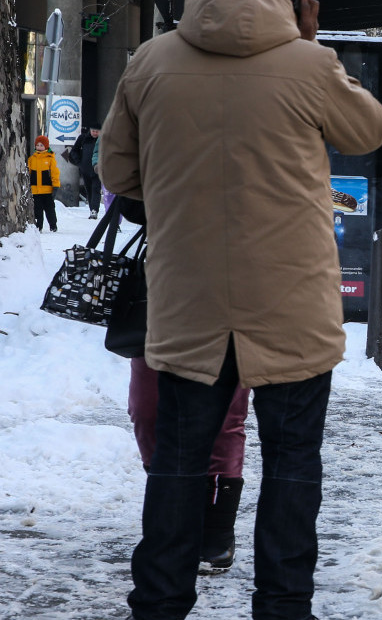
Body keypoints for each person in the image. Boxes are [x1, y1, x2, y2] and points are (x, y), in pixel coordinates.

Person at [99, 0, 382, 617]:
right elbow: (368, 131)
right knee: (292, 464)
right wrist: (312, 47)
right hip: (293, 310)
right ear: (294, 0)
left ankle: (160, 602)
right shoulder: (309, 66)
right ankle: (283, 605)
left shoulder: (149, 60)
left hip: (187, 306)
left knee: (178, 463)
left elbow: (119, 170)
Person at [115, 196, 253, 572]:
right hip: (163, 288)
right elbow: (127, 198)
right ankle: (175, 511)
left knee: (226, 417)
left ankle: (217, 528)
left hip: (234, 282)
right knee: (146, 410)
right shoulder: (161, 134)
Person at [69, 123, 103, 218]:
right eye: (93, 131)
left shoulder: (102, 140)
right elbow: (74, 151)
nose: (95, 133)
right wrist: (79, 163)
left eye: (97, 131)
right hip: (85, 169)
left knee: (96, 189)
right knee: (89, 189)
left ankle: (94, 210)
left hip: (97, 169)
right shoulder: (83, 138)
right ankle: (92, 209)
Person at [27, 135, 59, 232]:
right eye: (38, 145)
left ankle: (53, 225)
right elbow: (28, 173)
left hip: (47, 190)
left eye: (42, 145)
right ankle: (38, 226)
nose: (39, 147)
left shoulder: (50, 158)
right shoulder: (32, 159)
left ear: (46, 146)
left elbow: (55, 173)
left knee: (50, 209)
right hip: (35, 190)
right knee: (37, 210)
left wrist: (56, 185)